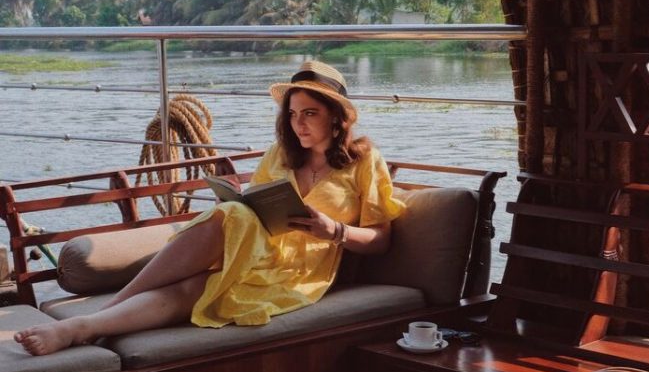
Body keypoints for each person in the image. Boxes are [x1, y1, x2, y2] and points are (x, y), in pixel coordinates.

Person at [14, 60, 405, 356]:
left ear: (337, 117)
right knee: (234, 213)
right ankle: (91, 322)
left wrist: (333, 230)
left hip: (301, 271)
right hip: (260, 247)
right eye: (292, 113)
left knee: (194, 289)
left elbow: (381, 240)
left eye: (310, 113)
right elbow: (261, 209)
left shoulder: (365, 161)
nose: (298, 123)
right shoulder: (280, 155)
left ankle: (84, 325)